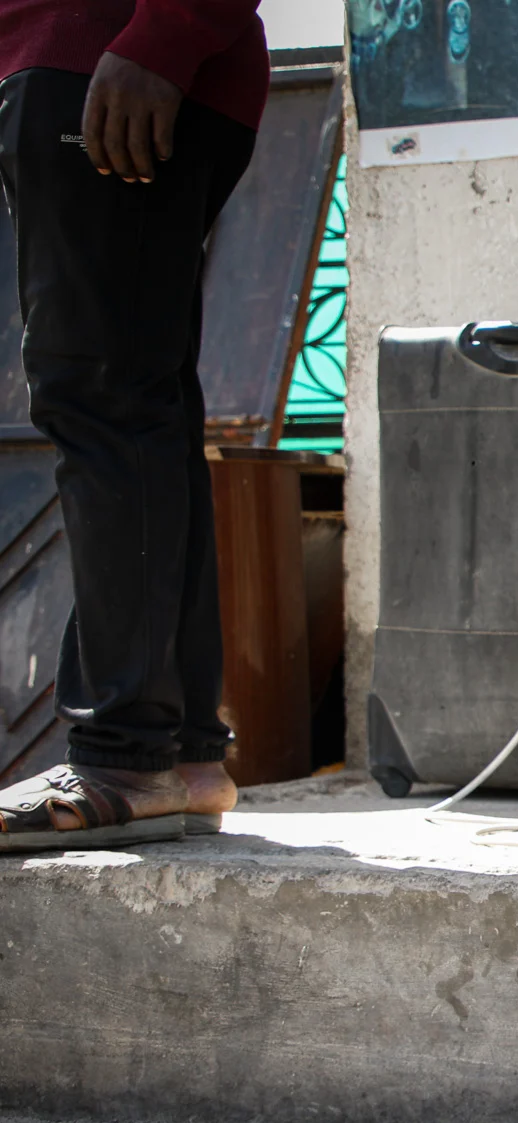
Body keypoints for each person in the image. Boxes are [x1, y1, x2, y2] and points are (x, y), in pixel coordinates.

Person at [0, 0, 263, 849]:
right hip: (104, 57)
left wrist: (165, 34)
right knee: (140, 399)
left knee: (101, 394)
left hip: (107, 58)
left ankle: (125, 753)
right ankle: (178, 753)